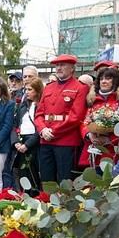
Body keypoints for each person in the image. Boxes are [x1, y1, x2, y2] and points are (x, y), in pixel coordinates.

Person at [34, 54, 88, 184]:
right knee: (47, 180)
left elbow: (76, 117)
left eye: (63, 65)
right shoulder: (48, 87)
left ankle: (64, 205)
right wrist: (42, 130)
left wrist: (53, 131)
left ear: (72, 68)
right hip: (46, 141)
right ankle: (46, 202)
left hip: (66, 142)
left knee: (65, 181)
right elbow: (39, 114)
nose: (59, 68)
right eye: (57, 65)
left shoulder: (80, 88)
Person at [79, 68, 119, 169]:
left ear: (116, 80)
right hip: (93, 149)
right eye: (101, 79)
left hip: (113, 150)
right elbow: (85, 122)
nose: (103, 81)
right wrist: (89, 135)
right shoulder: (93, 100)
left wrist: (109, 139)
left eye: (108, 78)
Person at [11, 78, 43, 191]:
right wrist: (15, 142)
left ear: (38, 91)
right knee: (22, 174)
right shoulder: (22, 106)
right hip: (21, 142)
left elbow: (40, 129)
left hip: (34, 144)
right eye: (26, 89)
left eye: (30, 89)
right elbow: (15, 125)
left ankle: (37, 198)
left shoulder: (41, 106)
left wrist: (27, 145)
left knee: (34, 174)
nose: (27, 92)